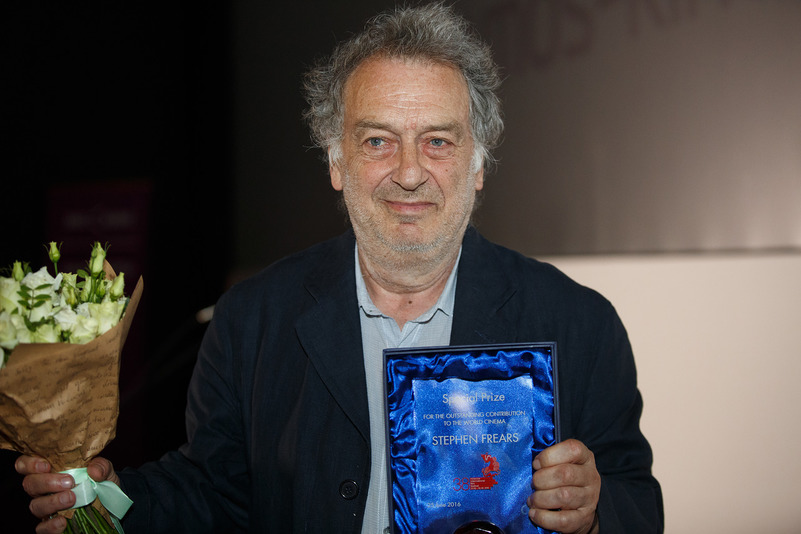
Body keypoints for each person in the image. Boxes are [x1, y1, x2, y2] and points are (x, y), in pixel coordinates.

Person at [17, 3, 663, 533]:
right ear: (335, 162)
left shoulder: (579, 324)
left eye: (437, 141)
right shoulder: (252, 320)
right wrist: (113, 503)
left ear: (477, 165)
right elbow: (213, 493)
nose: (408, 172)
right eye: (377, 140)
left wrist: (594, 511)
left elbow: (638, 502)